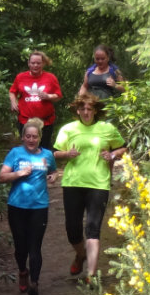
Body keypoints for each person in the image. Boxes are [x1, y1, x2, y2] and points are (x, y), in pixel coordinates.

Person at [53, 92, 126, 282]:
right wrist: (67, 154)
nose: (86, 112)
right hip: (73, 182)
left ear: (95, 111)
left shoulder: (107, 128)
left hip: (99, 183)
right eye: (83, 109)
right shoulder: (68, 129)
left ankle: (91, 274)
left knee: (93, 228)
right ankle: (81, 254)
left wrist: (112, 155)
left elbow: (123, 147)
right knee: (72, 229)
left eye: (89, 109)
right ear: (77, 110)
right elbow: (55, 153)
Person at [0, 117, 57, 295]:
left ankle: (34, 283)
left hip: (39, 206)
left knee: (35, 246)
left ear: (40, 138)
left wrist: (53, 177)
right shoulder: (15, 153)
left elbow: (53, 171)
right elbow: (2, 176)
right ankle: (23, 271)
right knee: (20, 247)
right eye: (28, 136)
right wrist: (19, 173)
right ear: (23, 137)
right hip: (17, 206)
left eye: (35, 137)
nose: (31, 140)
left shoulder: (47, 155)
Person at [9, 51, 62, 149]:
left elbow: (58, 96)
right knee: (27, 148)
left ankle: (44, 164)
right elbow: (12, 91)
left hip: (45, 121)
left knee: (44, 149)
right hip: (25, 120)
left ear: (43, 63)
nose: (35, 65)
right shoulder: (21, 77)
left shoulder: (50, 78)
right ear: (29, 63)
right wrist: (13, 101)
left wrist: (48, 96)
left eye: (38, 63)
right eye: (33, 63)